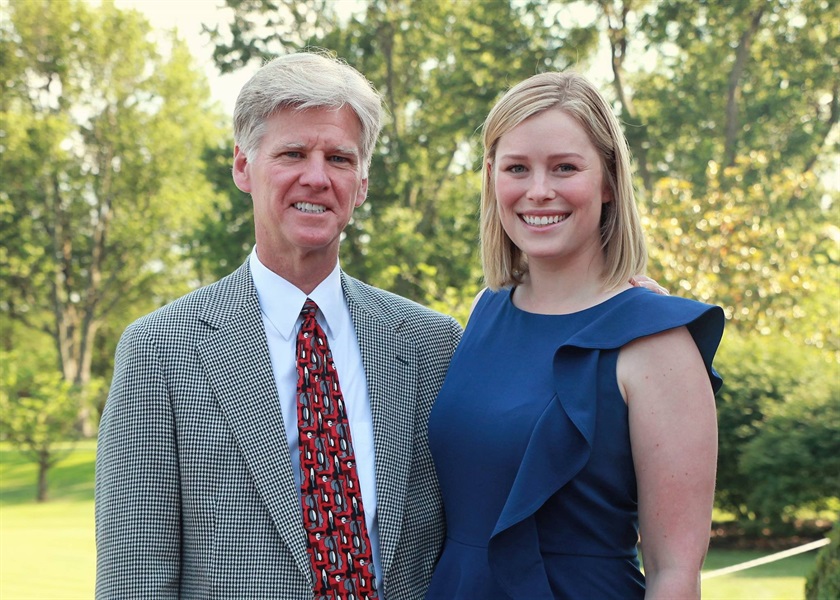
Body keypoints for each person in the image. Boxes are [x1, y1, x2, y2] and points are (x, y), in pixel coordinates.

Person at [94, 51, 463, 599]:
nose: (316, 177)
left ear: (361, 183)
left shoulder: (433, 345)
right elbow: (135, 579)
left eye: (339, 158)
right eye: (293, 153)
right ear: (243, 166)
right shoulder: (160, 351)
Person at [425, 71, 724, 600]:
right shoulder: (484, 311)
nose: (539, 191)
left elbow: (674, 570)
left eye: (565, 168)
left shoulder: (658, 342)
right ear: (492, 179)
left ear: (608, 181)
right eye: (517, 168)